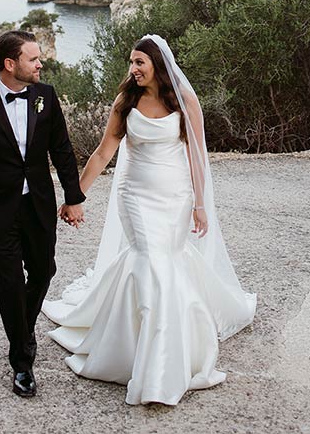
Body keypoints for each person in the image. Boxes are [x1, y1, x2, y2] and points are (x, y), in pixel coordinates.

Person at [44, 35, 256, 406]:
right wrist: (75, 195)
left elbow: (196, 158)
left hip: (175, 198)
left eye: (140, 62)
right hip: (135, 198)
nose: (133, 69)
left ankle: (161, 350)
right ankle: (152, 362)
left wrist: (200, 205)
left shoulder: (184, 101)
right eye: (131, 62)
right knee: (151, 261)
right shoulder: (126, 101)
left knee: (166, 262)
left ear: (158, 64)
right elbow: (103, 152)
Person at [0, 30, 85, 399]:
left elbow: (61, 149)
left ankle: (21, 330)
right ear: (10, 64)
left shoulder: (46, 96)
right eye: (33, 58)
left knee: (44, 269)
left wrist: (73, 197)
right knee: (9, 279)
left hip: (37, 203)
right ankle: (22, 361)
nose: (41, 63)